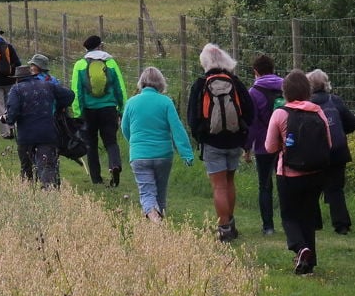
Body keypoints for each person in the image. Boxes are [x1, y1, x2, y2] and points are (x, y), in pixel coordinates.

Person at [265, 69, 330, 275]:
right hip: (315, 173)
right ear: (307, 90)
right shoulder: (317, 111)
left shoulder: (280, 113)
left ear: (285, 91)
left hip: (288, 173)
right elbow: (328, 142)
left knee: (289, 216)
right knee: (308, 217)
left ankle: (300, 248)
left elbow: (269, 147)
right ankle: (308, 266)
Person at [187, 43, 253, 242]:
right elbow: (249, 111)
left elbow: (192, 117)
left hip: (212, 141)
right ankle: (230, 222)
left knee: (218, 187)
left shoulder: (201, 84)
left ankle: (223, 228)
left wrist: (201, 137)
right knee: (230, 182)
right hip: (234, 140)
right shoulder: (235, 82)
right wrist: (242, 134)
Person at [121, 67, 194, 223]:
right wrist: (186, 153)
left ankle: (154, 218)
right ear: (161, 83)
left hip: (139, 155)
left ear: (141, 83)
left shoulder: (131, 102)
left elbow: (125, 128)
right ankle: (160, 222)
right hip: (163, 155)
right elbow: (177, 128)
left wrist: (134, 143)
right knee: (160, 192)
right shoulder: (166, 102)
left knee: (147, 192)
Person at [3, 65, 75, 190]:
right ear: (32, 76)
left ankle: (27, 190)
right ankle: (49, 190)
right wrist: (58, 107)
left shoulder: (16, 89)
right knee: (47, 164)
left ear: (17, 79)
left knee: (26, 166)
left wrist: (7, 119)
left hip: (26, 135)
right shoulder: (48, 85)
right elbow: (69, 95)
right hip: (47, 133)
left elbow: (12, 112)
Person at [70, 35, 127, 186]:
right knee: (110, 141)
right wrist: (122, 108)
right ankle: (114, 165)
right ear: (100, 46)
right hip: (109, 108)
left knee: (90, 143)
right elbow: (119, 88)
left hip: (88, 110)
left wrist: (78, 114)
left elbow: (76, 91)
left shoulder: (80, 65)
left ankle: (96, 179)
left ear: (86, 49)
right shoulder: (111, 63)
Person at [307, 69, 355, 235]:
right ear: (326, 83)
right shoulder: (335, 100)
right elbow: (352, 123)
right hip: (338, 152)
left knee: (312, 188)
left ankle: (314, 223)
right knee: (336, 189)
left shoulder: (307, 104)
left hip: (315, 152)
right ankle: (341, 225)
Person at [244, 54, 285, 235]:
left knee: (265, 185)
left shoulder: (253, 93)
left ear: (255, 72)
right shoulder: (286, 87)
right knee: (285, 183)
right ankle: (289, 221)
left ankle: (268, 226)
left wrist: (247, 148)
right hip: (286, 144)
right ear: (273, 68)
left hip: (263, 145)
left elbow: (251, 123)